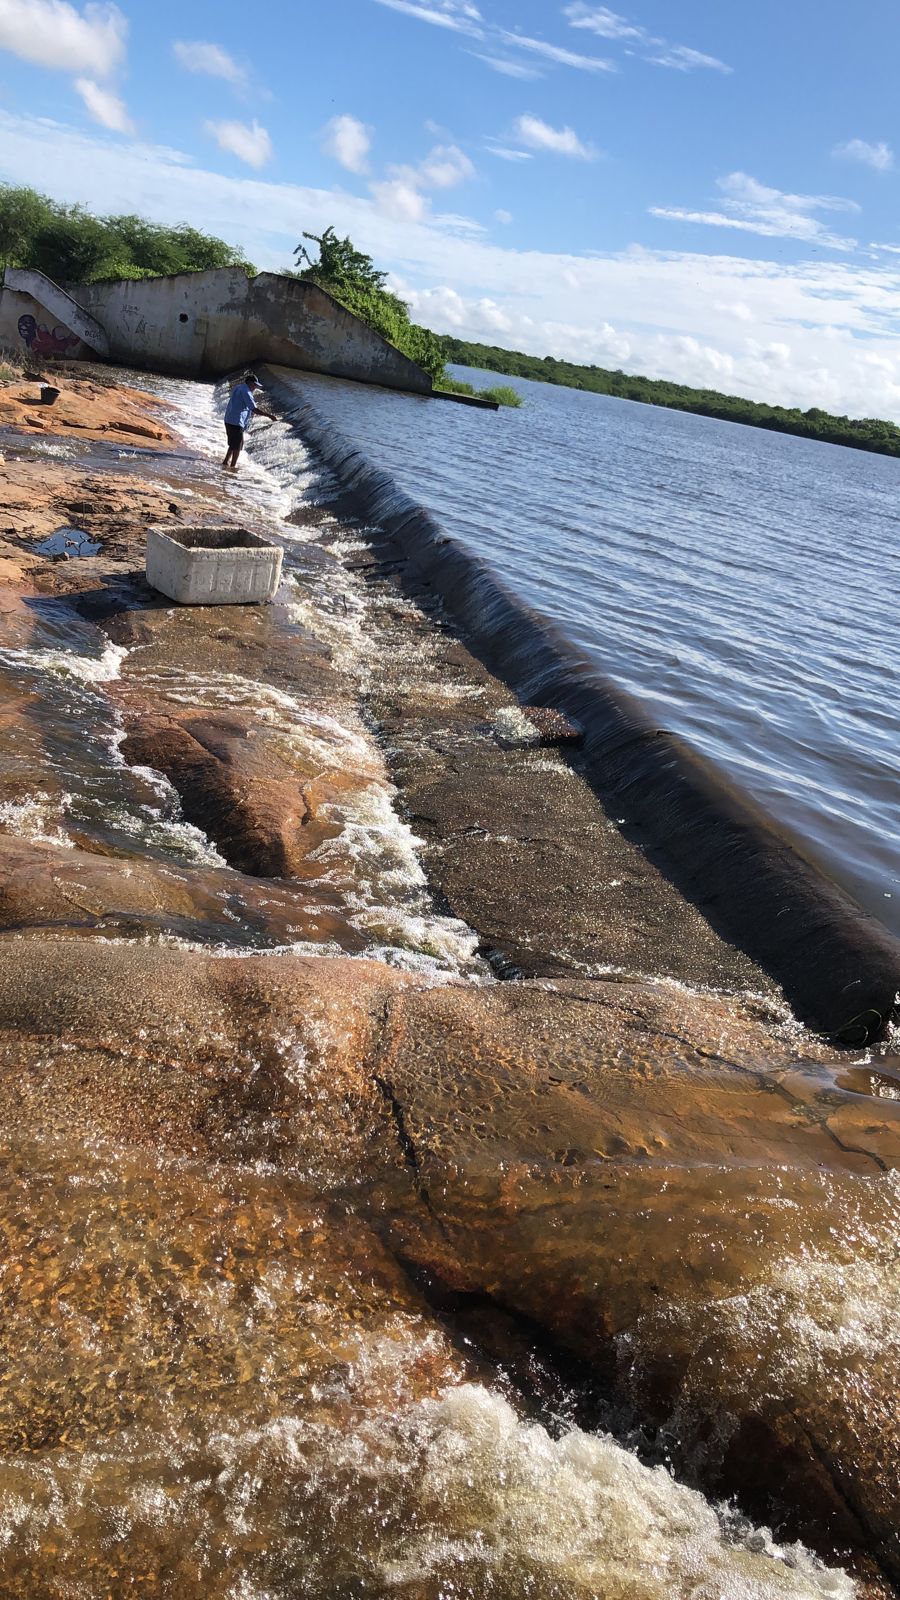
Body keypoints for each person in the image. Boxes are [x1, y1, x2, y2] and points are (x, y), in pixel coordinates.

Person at [222, 371, 261, 472]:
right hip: (236, 422)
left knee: (233, 444)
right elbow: (254, 409)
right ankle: (232, 467)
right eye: (255, 385)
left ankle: (226, 462)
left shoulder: (238, 387)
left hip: (229, 419)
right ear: (250, 383)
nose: (255, 388)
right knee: (237, 446)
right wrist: (270, 416)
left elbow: (240, 403)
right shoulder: (247, 392)